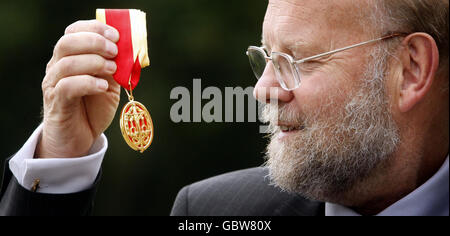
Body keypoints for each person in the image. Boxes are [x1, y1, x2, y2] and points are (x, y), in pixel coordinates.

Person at [1, 0, 448, 216]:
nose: (264, 90)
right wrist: (62, 161)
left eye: (298, 61)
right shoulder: (217, 213)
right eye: (266, 59)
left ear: (411, 69)